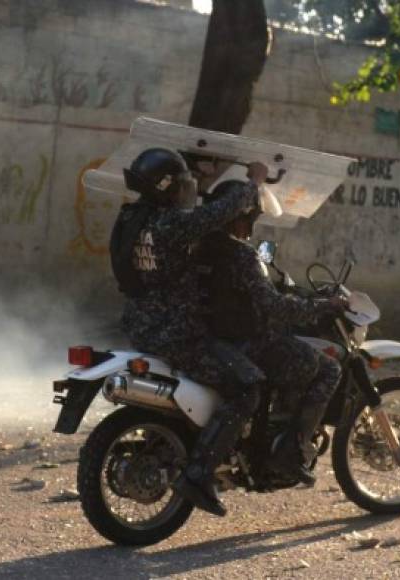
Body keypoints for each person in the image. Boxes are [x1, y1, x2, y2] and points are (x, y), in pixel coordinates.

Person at [110, 148, 269, 517]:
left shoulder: (134, 218)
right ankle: (198, 475)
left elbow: (190, 212)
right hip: (178, 334)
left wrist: (203, 174)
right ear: (168, 188)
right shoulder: (172, 225)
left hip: (141, 327)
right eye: (182, 184)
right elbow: (214, 215)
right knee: (247, 386)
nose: (188, 190)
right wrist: (254, 182)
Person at [197, 179, 345, 485]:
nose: (252, 225)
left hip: (209, 340)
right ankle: (291, 453)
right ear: (236, 217)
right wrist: (322, 306)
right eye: (250, 218)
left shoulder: (197, 248)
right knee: (328, 370)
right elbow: (274, 307)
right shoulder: (241, 256)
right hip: (246, 344)